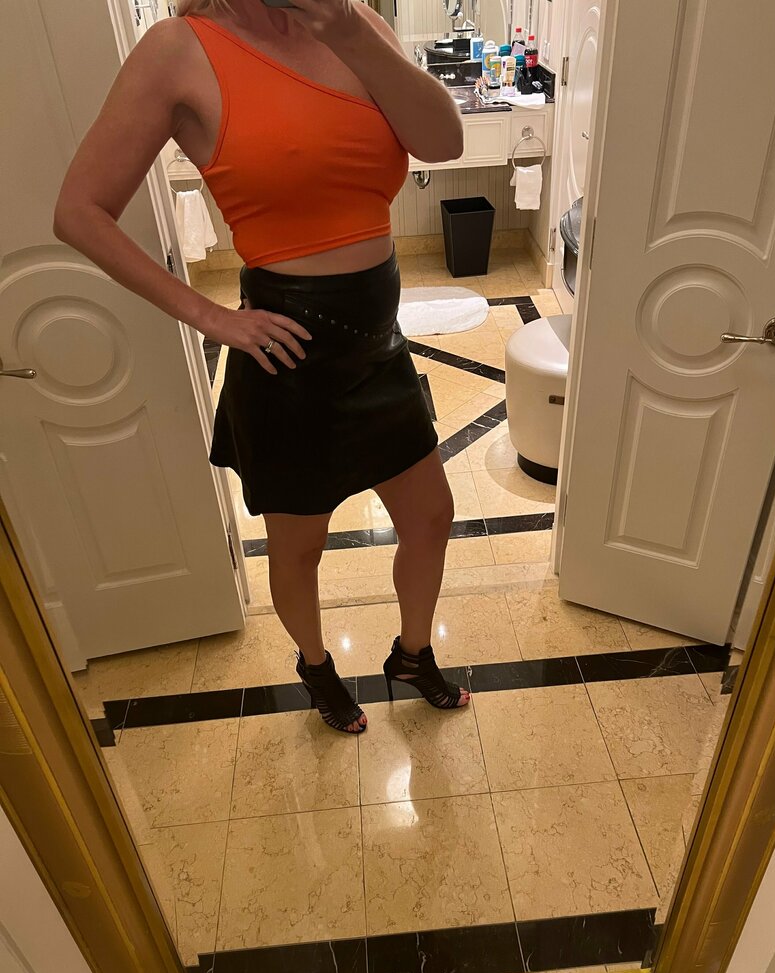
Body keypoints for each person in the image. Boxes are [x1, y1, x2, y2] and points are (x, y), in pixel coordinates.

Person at [54, 0, 470, 734]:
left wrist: (349, 30)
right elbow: (79, 211)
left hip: (377, 344)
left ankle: (412, 654)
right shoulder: (177, 49)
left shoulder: (353, 22)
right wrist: (211, 316)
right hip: (289, 358)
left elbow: (443, 142)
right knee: (299, 547)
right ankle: (316, 665)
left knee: (432, 516)